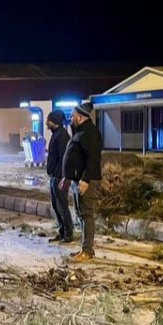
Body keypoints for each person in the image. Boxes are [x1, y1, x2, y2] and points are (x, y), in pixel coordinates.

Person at [60, 103, 102, 261]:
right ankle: (84, 248)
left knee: (86, 214)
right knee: (81, 214)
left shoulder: (89, 132)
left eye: (72, 115)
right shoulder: (80, 131)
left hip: (87, 181)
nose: (71, 118)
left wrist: (85, 179)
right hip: (78, 180)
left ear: (79, 116)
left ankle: (87, 251)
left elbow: (93, 158)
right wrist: (68, 176)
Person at [45, 110, 73, 243]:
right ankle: (62, 232)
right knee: (56, 206)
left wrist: (61, 177)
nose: (46, 122)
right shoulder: (56, 134)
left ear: (54, 121)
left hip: (60, 178)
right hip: (54, 177)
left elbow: (64, 158)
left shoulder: (62, 136)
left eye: (48, 120)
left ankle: (69, 234)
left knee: (62, 206)